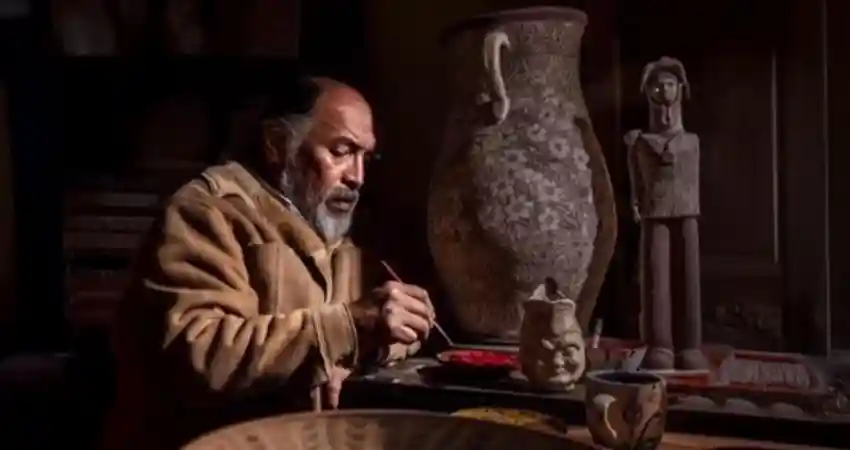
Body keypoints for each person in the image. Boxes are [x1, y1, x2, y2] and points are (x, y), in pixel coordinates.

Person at [100, 76, 435, 449]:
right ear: (277, 145)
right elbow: (200, 354)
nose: (357, 176)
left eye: (365, 157)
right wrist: (344, 330)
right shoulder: (208, 213)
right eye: (341, 151)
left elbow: (387, 327)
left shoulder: (340, 229)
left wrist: (355, 349)